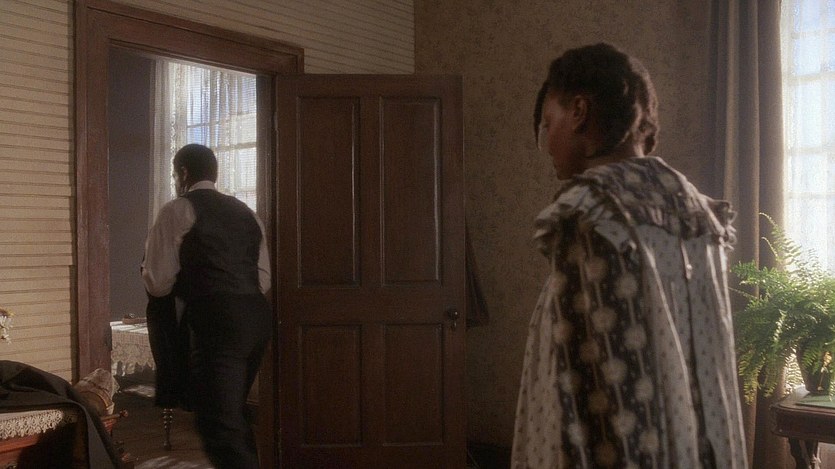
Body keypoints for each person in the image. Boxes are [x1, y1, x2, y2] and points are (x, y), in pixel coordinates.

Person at [512, 43, 747, 468]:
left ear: (579, 112)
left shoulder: (590, 212)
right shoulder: (697, 213)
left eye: (548, 124)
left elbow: (590, 385)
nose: (546, 144)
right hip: (693, 447)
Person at [141, 143, 272, 468]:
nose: (175, 182)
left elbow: (158, 283)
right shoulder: (247, 213)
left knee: (218, 423)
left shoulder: (177, 210)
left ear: (183, 173)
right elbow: (264, 278)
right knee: (232, 414)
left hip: (217, 322)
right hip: (256, 319)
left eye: (174, 176)